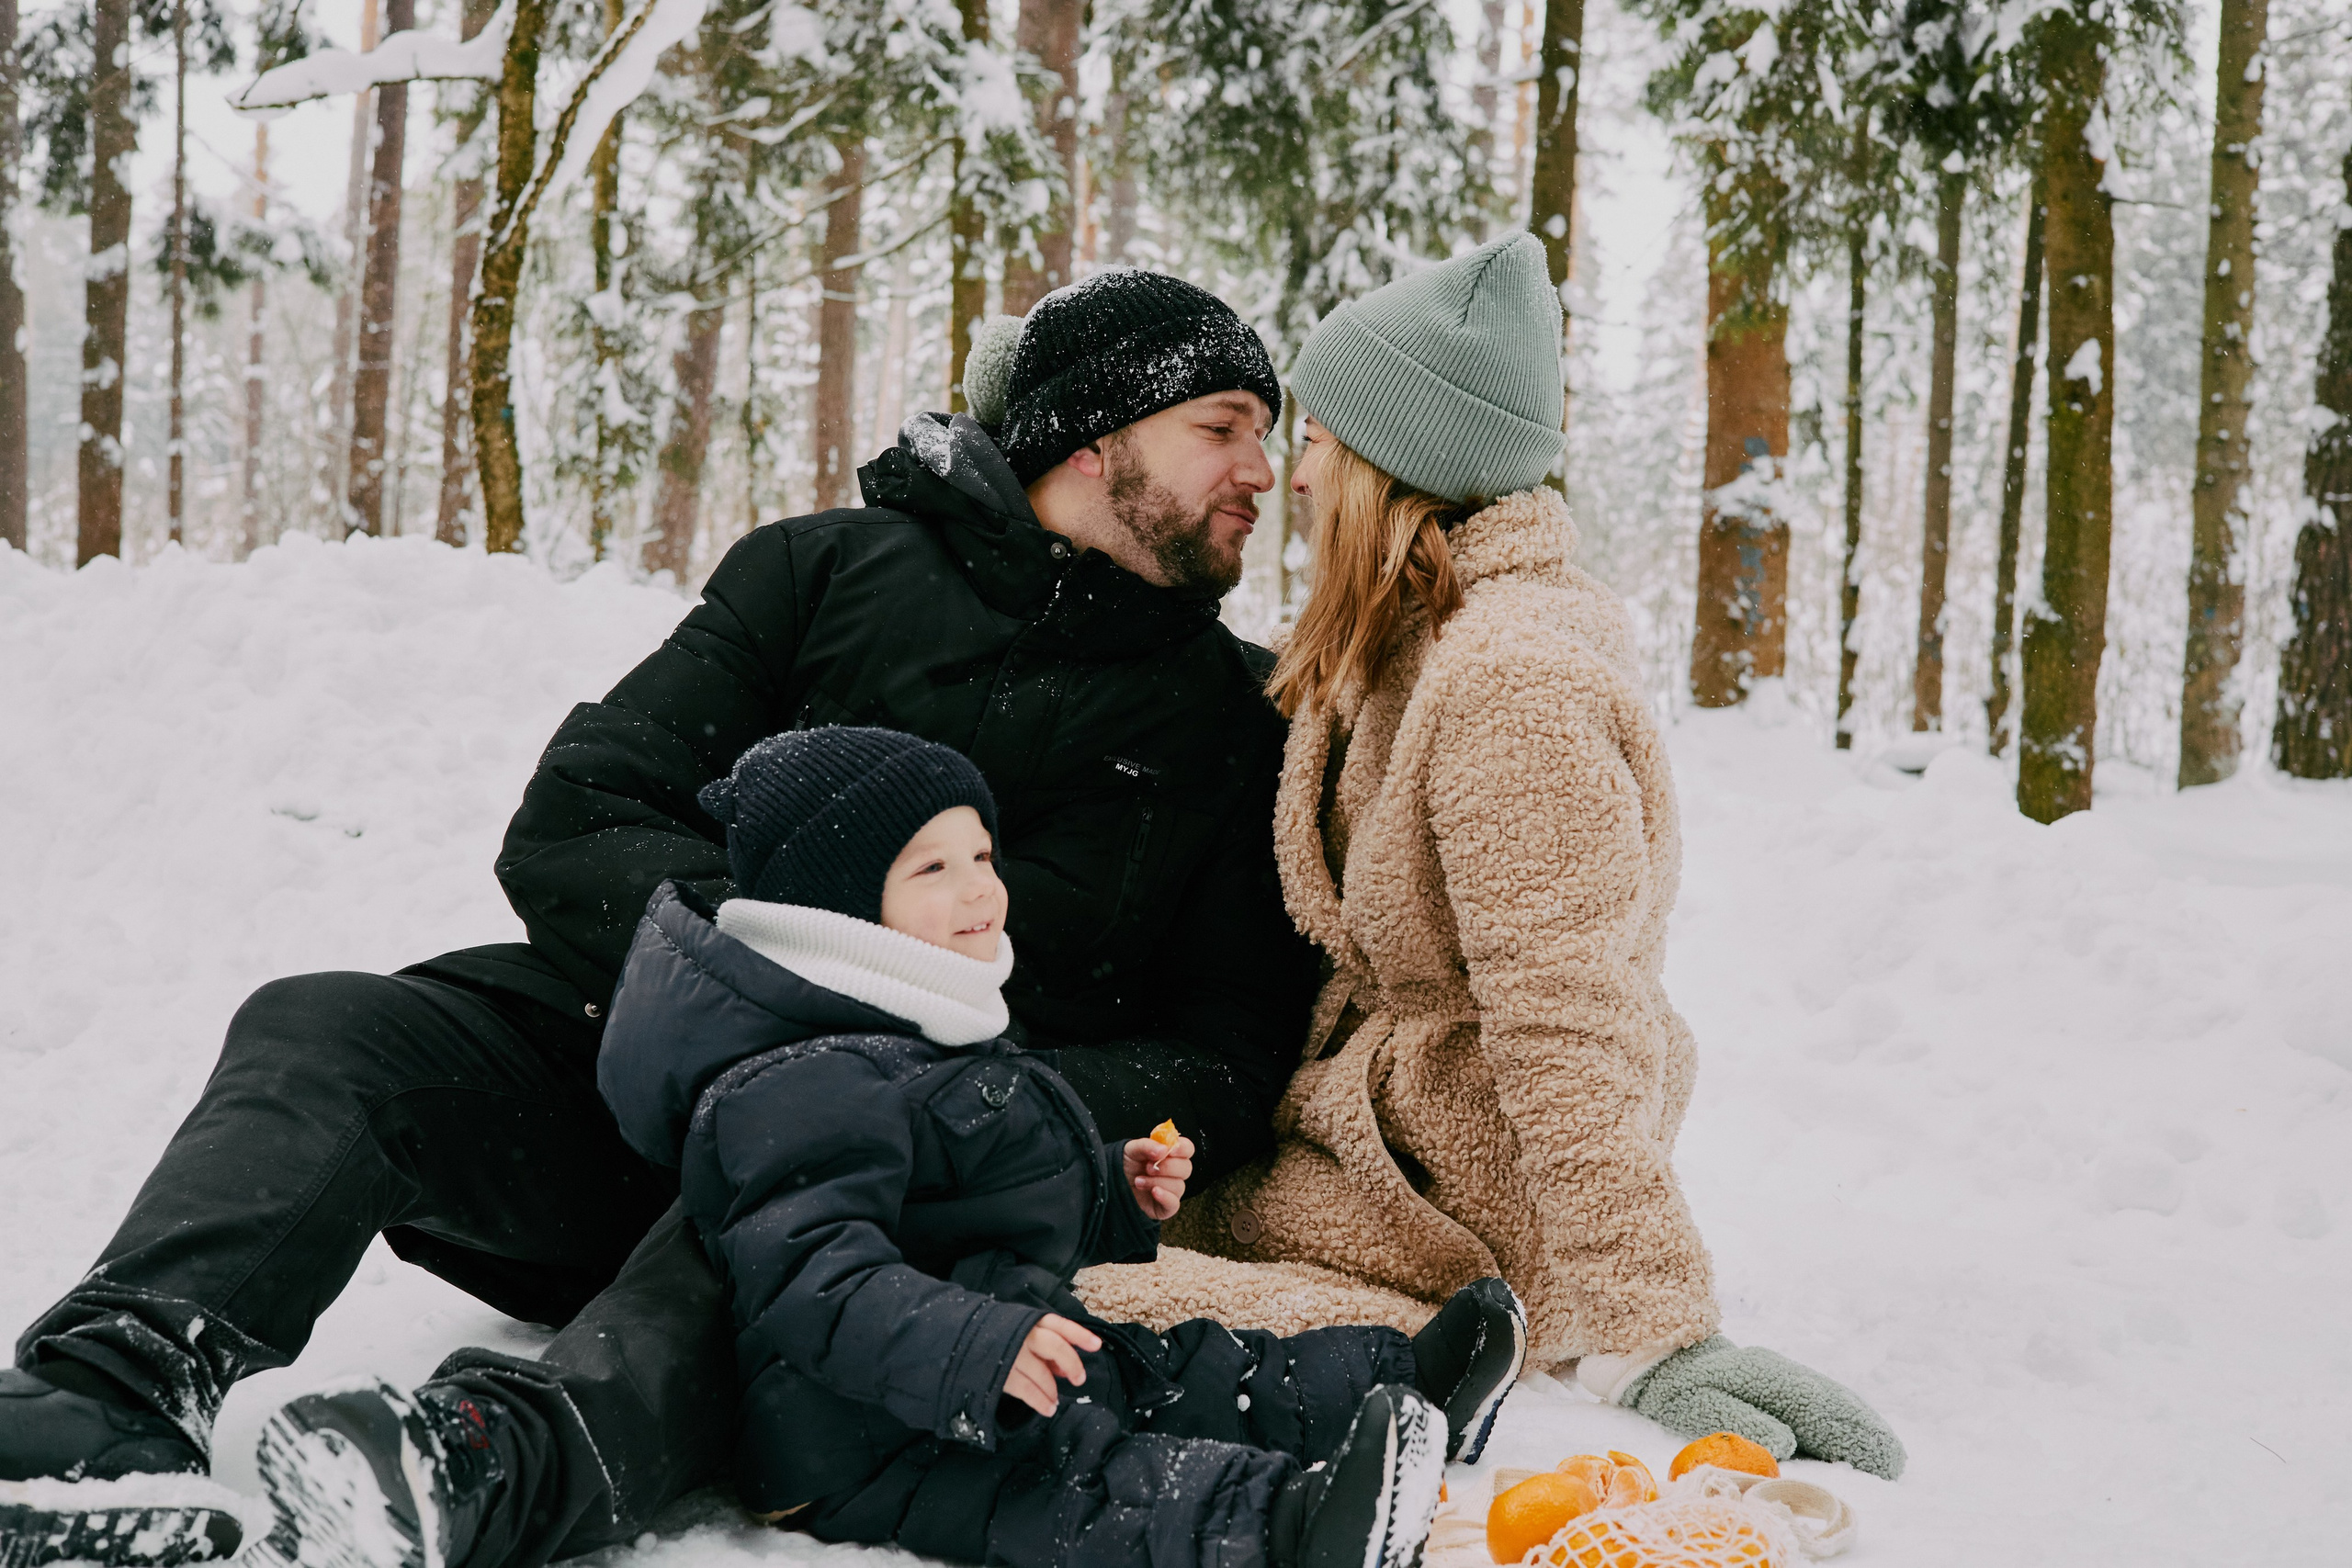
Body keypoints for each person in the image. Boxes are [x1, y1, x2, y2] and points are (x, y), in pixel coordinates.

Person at [0, 269, 1322, 1568]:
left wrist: (949, 1103)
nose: (1261, 472)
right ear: (1092, 441)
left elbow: (1223, 1052)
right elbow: (586, 813)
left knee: (783, 1202)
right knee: (332, 1028)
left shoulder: (1235, 722)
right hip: (650, 1076)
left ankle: (478, 1471)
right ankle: (114, 1392)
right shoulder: (819, 577)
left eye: (1264, 437)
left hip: (888, 1198)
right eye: (1222, 429)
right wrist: (770, 1015)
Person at [257, 728, 1526, 1568]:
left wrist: (1114, 1198)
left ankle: (1394, 1379)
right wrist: (976, 1346)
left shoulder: (919, 1031)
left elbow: (976, 1204)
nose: (982, 889)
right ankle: (1292, 1529)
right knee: (1082, 1479)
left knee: (1160, 1362)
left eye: (982, 853)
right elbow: (818, 1282)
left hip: (972, 1352)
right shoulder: (799, 1080)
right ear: (841, 908)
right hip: (863, 1432)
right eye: (934, 868)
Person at [1075, 233, 1907, 1482]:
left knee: (1062, 1298)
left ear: (1388, 467)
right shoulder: (1426, 642)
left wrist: (1654, 1327)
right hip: (1381, 1158)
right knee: (1042, 1229)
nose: (1293, 477)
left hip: (1441, 1204)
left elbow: (1568, 1012)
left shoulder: (1513, 681)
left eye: (1315, 442)